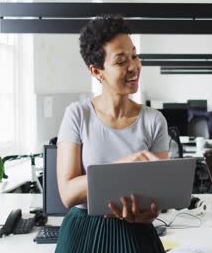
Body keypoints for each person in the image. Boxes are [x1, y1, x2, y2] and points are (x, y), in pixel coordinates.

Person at [55, 15, 168, 252]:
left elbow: (158, 196)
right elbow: (68, 194)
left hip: (136, 233)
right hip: (84, 232)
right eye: (120, 61)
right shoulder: (77, 115)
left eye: (135, 56)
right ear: (97, 71)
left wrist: (147, 214)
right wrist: (122, 165)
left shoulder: (154, 120)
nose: (133, 67)